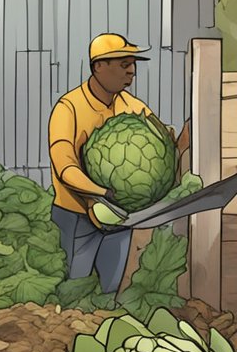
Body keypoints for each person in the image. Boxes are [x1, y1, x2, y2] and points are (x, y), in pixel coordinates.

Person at [47, 32, 190, 295]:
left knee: (112, 289)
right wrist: (102, 193)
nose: (132, 71)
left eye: (133, 64)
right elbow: (63, 164)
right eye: (124, 64)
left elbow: (164, 150)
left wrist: (183, 142)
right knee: (73, 288)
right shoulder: (69, 108)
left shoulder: (133, 107)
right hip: (76, 217)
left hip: (121, 219)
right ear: (98, 67)